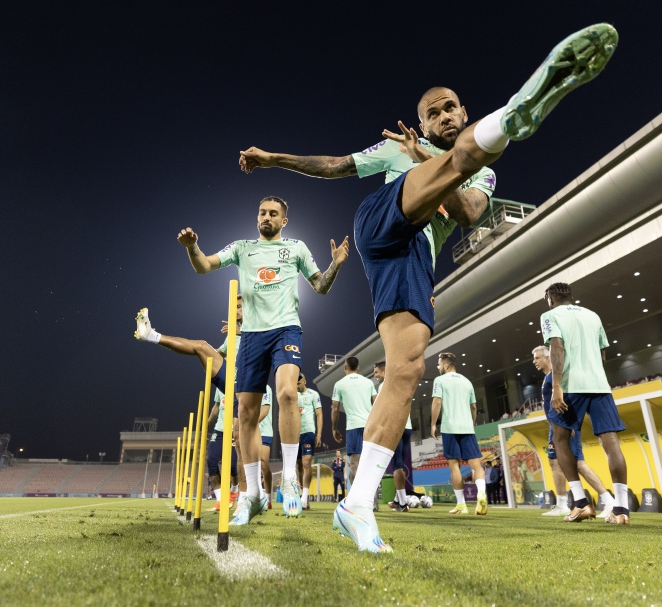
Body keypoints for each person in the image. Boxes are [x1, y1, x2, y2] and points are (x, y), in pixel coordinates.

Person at [242, 25, 618, 552]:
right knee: (461, 160)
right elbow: (335, 165)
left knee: (407, 370)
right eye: (435, 112)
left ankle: (357, 505)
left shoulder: (479, 176)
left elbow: (466, 211)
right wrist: (273, 159)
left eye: (452, 109)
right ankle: (514, 114)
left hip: (416, 256)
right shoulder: (398, 150)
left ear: (462, 114)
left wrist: (425, 157)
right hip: (380, 223)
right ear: (421, 121)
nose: (444, 116)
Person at [177, 195, 349, 524]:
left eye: (273, 213)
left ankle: (289, 482)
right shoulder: (242, 248)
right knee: (246, 413)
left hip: (286, 329)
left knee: (286, 392)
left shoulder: (296, 248)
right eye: (262, 212)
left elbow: (320, 287)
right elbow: (204, 266)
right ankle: (252, 494)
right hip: (252, 335)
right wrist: (191, 247)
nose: (266, 217)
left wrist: (335, 265)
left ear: (284, 220)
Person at [133, 297, 255, 510]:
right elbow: (216, 355)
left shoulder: (258, 325)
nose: (233, 311)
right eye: (232, 307)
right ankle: (151, 335)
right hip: (231, 380)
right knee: (200, 346)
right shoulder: (233, 336)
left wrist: (241, 332)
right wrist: (205, 356)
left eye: (237, 307)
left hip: (246, 382)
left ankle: (245, 496)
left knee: (241, 448)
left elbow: (263, 348)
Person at [541, 282, 631, 525]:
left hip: (571, 385)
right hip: (600, 385)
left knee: (560, 439)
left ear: (550, 298)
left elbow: (556, 346)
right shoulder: (593, 315)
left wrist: (557, 385)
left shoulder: (549, 315)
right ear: (570, 296)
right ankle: (621, 509)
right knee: (611, 442)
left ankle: (581, 503)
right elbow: (603, 353)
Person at [531, 345, 614, 518]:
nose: (534, 361)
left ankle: (608, 500)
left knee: (577, 463)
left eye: (537, 358)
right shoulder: (549, 378)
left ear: (548, 358)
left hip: (564, 424)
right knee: (554, 461)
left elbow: (569, 400)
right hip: (555, 424)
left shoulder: (559, 377)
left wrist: (570, 425)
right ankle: (562, 503)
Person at [430, 352, 487, 515]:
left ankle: (462, 505)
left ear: (446, 365)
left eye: (439, 363)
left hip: (449, 427)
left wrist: (433, 424)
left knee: (454, 465)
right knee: (476, 465)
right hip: (467, 427)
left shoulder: (439, 380)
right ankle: (481, 493)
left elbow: (437, 401)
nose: (438, 366)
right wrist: (472, 423)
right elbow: (474, 406)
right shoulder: (467, 382)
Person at [330, 357, 377, 485]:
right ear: (358, 367)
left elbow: (335, 408)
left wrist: (334, 428)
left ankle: (356, 501)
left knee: (355, 464)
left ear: (345, 367)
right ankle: (372, 502)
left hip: (353, 427)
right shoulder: (368, 382)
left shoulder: (339, 384)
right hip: (369, 427)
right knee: (369, 464)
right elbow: (377, 403)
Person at [375, 361, 413, 513]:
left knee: (397, 465)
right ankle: (398, 500)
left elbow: (381, 408)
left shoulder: (383, 386)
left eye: (377, 372)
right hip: (407, 426)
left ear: (384, 372)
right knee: (401, 464)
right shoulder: (401, 382)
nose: (375, 375)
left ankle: (403, 504)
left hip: (395, 427)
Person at [296, 373, 323, 509]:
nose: (297, 386)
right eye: (295, 384)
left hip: (308, 432)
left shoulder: (313, 394)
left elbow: (319, 414)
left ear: (304, 380)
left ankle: (305, 498)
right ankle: (302, 494)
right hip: (294, 434)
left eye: (299, 383)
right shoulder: (293, 395)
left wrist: (318, 434)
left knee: (307, 463)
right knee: (299, 466)